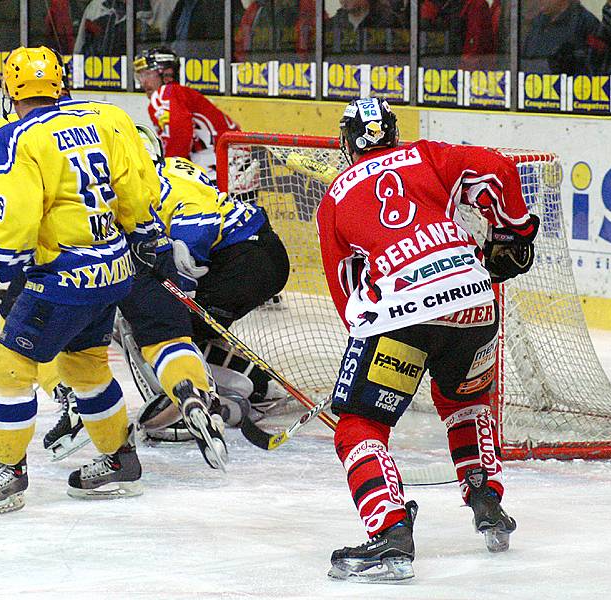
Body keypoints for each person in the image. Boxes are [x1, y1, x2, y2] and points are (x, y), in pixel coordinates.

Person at [0, 47, 227, 515]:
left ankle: (9, 473)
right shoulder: (107, 117)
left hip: (65, 276)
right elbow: (136, 184)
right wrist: (148, 235)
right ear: (61, 84)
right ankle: (119, 460)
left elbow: (13, 214)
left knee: (9, 365)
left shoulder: (14, 137)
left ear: (8, 90)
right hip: (115, 269)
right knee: (86, 367)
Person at [317, 97, 539, 581]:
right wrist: (515, 231)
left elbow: (346, 287)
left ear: (347, 141)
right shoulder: (427, 155)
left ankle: (391, 534)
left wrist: (363, 355)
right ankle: (486, 501)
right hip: (477, 299)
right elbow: (500, 167)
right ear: (392, 133)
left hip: (401, 313)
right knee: (467, 403)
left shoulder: (334, 196)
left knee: (359, 426)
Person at [126, 126, 291, 438]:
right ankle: (259, 386)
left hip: (246, 262)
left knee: (162, 329)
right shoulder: (172, 167)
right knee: (182, 326)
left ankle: (203, 401)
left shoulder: (160, 188)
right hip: (257, 252)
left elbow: (195, 232)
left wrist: (180, 272)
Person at [133, 46, 241, 184]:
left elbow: (179, 134)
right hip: (236, 164)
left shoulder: (165, 94)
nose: (143, 82)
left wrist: (168, 171)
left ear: (167, 73)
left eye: (147, 74)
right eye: (140, 75)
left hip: (225, 168)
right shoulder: (180, 93)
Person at [522, 0, 599, 75]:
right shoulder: (538, 21)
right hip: (532, 83)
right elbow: (525, 57)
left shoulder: (586, 23)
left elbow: (592, 69)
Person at [419, 0, 494, 70]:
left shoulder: (475, 5)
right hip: (437, 66)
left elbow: (474, 50)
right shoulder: (438, 5)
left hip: (463, 70)